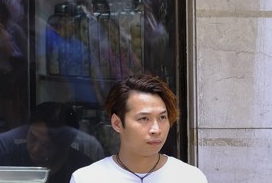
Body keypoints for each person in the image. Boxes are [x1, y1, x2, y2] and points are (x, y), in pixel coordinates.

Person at [69, 75, 207, 183]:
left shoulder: (190, 177)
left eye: (162, 117)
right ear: (117, 123)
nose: (156, 129)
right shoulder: (87, 179)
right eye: (144, 119)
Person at [0, 103, 102, 183]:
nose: (35, 149)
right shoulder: (10, 158)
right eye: (32, 138)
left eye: (46, 145)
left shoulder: (83, 169)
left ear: (64, 146)